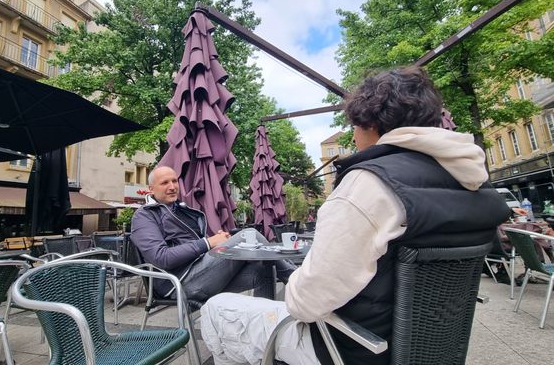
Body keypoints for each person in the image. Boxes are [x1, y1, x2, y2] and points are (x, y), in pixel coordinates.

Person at [200, 66, 510, 365]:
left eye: (354, 127)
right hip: (435, 348)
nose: (353, 138)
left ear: (371, 124)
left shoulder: (368, 185)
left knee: (217, 309)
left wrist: (299, 279)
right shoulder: (471, 181)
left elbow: (305, 304)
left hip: (352, 349)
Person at [130, 166, 296, 302]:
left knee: (264, 268)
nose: (172, 186)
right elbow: (162, 257)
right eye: (164, 183)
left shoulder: (181, 211)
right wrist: (208, 243)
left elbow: (199, 246)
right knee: (248, 234)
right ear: (151, 189)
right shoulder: (144, 215)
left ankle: (265, 322)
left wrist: (219, 242)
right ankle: (297, 278)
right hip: (178, 283)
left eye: (174, 181)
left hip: (202, 271)